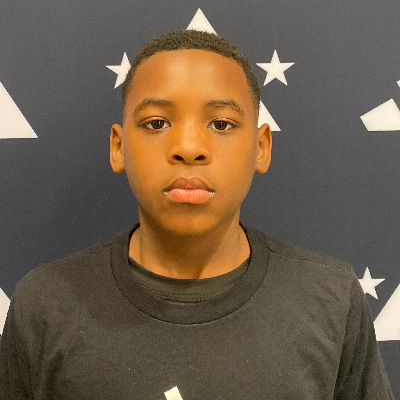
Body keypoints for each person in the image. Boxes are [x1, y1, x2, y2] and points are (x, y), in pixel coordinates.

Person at [0, 29, 395, 400]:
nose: (189, 147)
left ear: (261, 147)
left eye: (221, 124)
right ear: (119, 147)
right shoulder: (46, 304)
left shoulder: (332, 299)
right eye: (156, 123)